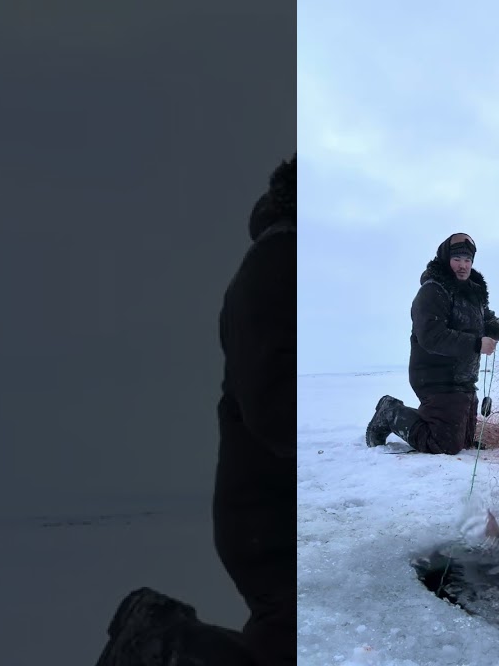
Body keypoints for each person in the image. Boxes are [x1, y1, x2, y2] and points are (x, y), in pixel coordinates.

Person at [208, 156, 297, 666]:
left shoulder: (285, 259)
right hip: (265, 511)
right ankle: (160, 644)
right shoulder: (276, 262)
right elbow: (270, 406)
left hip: (269, 505)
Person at [365, 233, 499, 455]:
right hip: (435, 377)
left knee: (464, 442)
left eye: (467, 260)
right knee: (444, 445)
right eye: (457, 260)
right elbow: (431, 336)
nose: (463, 266)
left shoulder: (473, 292)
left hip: (463, 379)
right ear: (446, 259)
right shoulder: (433, 290)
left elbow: (485, 319)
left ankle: (433, 422)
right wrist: (476, 344)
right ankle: (389, 412)